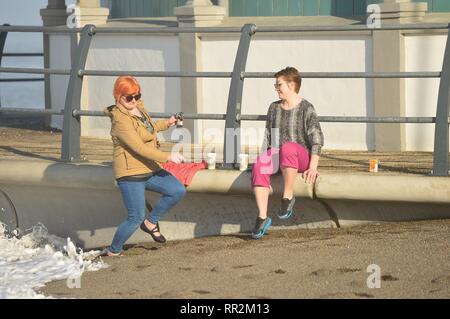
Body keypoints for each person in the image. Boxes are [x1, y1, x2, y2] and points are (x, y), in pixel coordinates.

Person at [102, 76, 186, 256]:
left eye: (137, 96)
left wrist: (167, 123)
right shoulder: (120, 120)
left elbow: (149, 129)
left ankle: (151, 222)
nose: (134, 101)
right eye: (129, 97)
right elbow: (139, 148)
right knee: (135, 217)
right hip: (130, 173)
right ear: (118, 96)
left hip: (149, 168)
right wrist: (168, 156)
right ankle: (113, 250)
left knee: (177, 190)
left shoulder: (138, 108)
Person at [250, 67, 324, 239]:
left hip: (300, 157)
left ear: (291, 85)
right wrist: (264, 159)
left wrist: (313, 167)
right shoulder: (273, 108)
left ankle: (288, 196)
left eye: (279, 84)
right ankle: (262, 217)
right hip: (279, 155)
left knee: (288, 148)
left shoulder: (307, 108)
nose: (276, 88)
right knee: (260, 165)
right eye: (275, 85)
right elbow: (269, 138)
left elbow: (317, 139)